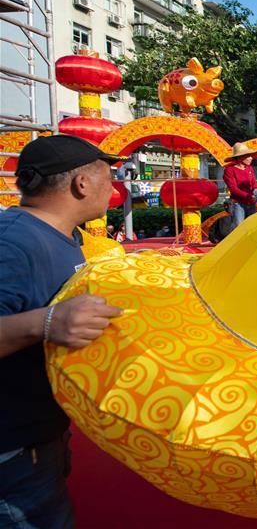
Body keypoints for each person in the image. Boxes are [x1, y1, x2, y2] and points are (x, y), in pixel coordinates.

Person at [0, 135, 125, 527]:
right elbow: (49, 318)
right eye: (109, 177)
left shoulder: (66, 235)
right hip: (11, 447)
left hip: (43, 429)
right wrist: (48, 322)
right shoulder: (13, 244)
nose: (115, 188)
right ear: (82, 184)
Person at [223, 142, 257, 229]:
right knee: (238, 227)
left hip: (251, 203)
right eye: (248, 156)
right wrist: (250, 197)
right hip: (238, 204)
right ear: (240, 157)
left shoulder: (249, 168)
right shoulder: (229, 170)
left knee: (252, 226)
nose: (251, 158)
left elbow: (253, 183)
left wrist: (256, 190)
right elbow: (233, 189)